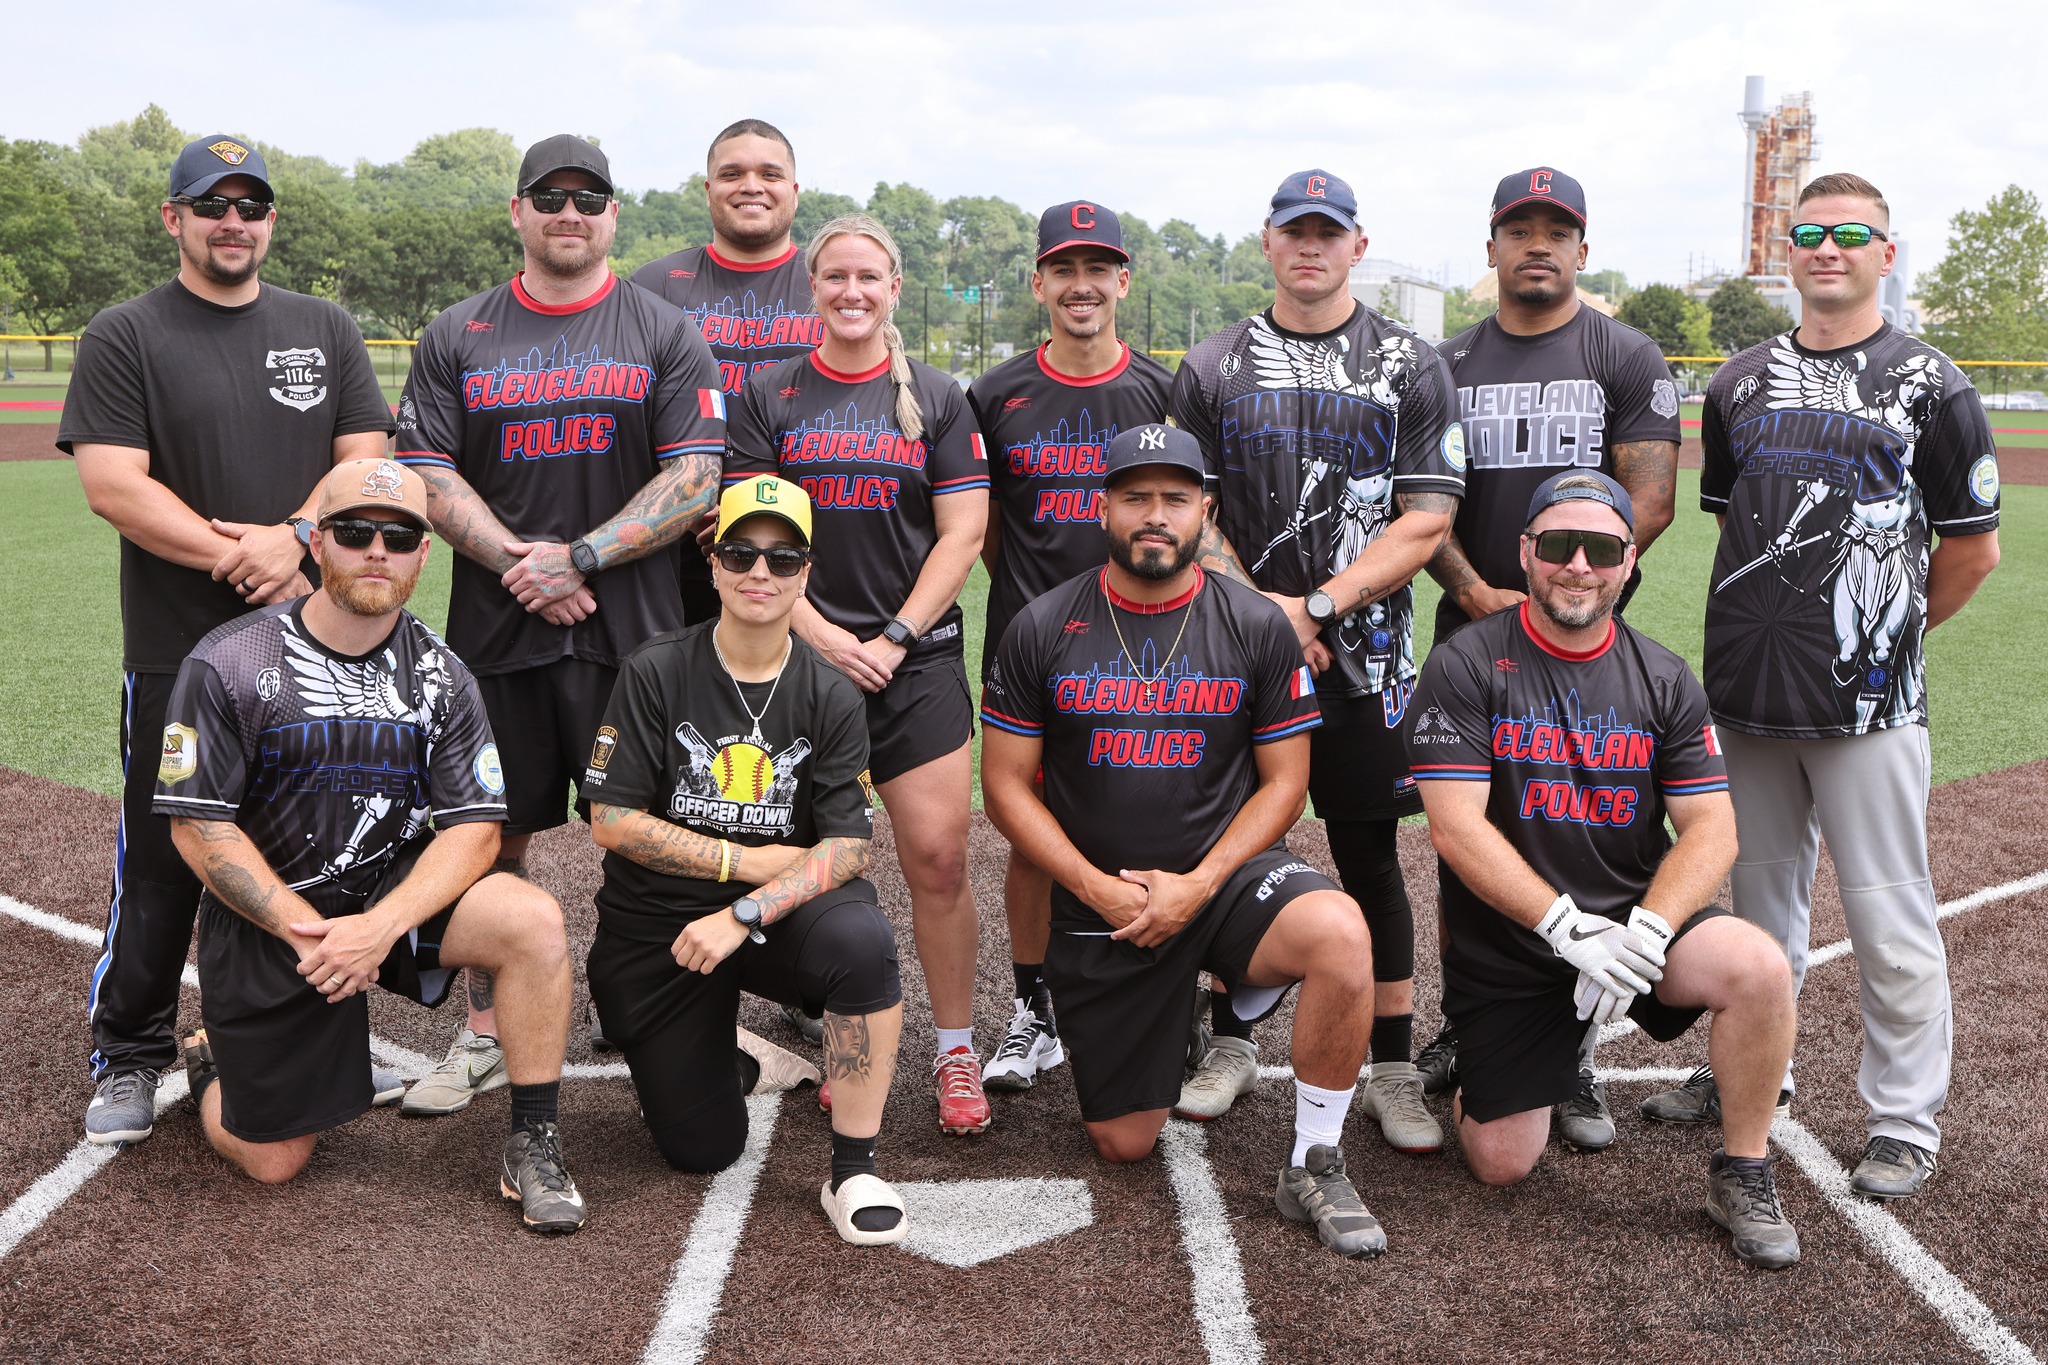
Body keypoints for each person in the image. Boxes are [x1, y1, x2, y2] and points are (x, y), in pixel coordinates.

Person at [1644, 173, 2001, 1202]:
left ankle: (1901, 1119)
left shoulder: (1931, 384)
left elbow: (1970, 553)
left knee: (1889, 918)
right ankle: (1761, 1079)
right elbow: (1734, 522)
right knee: (1758, 913)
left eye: (1852, 234)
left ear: (1885, 254)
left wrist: (1886, 636)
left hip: (1867, 705)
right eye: (1808, 233)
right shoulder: (1739, 382)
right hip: (1749, 696)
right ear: (1786, 252)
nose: (1827, 249)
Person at [61, 133, 396, 1145]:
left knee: (322, 844)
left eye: (251, 206)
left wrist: (296, 538)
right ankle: (131, 1050)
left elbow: (366, 456)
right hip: (179, 647)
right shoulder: (126, 334)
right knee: (167, 855)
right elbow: (114, 484)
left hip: (320, 642)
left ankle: (315, 1036)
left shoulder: (322, 326)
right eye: (213, 205)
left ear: (269, 222)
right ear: (174, 218)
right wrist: (244, 558)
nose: (233, 222)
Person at [982, 424, 1387, 1259]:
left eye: (1174, 498)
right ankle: (1187, 1017)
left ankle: (1315, 1155)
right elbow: (1005, 788)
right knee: (1124, 1142)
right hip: (1110, 898)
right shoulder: (1042, 624)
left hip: (1225, 880)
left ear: (1206, 508)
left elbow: (1285, 783)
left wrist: (1200, 883)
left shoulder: (1255, 623)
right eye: (1135, 497)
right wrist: (1096, 887)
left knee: (1342, 931)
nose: (1154, 515)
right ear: (1103, 509)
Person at [155, 458, 585, 1234]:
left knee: (534, 921)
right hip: (270, 917)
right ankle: (213, 1058)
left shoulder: (443, 675)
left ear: (425, 553)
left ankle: (534, 1138)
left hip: (383, 896)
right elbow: (198, 825)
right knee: (275, 1159)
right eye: (355, 533)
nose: (377, 551)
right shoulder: (229, 661)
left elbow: (476, 828)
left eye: (400, 535)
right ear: (316, 543)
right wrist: (306, 929)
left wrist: (377, 928)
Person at [394, 134, 726, 1116]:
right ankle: (488, 1031)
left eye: (589, 199)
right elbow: (426, 471)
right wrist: (517, 563)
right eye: (551, 197)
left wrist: (578, 557)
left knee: (649, 838)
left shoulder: (663, 331)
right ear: (518, 211)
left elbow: (696, 474)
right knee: (489, 837)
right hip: (497, 642)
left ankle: (655, 1015)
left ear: (613, 215)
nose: (569, 213)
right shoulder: (457, 332)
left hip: (635, 642)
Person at [1412, 470, 1801, 1269]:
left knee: (1759, 968)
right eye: (1558, 545)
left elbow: (1712, 828)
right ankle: (1497, 1053)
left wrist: (1649, 930)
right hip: (1519, 941)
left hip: (1631, 921)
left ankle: (1744, 1169)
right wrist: (1561, 924)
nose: (1579, 565)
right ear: (1525, 553)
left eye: (1602, 549)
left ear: (1631, 562)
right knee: (1501, 1162)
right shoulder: (1465, 663)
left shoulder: (1662, 677)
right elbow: (1453, 828)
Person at [1169, 169, 1464, 1154]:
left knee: (1369, 856)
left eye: (1326, 233)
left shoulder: (1408, 366)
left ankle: (1388, 1063)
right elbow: (1189, 513)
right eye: (1293, 233)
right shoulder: (1210, 367)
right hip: (1234, 658)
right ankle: (1228, 1041)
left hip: (1367, 662)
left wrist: (1320, 604)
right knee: (1229, 848)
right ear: (1266, 243)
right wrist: (1266, 618)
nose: (1310, 248)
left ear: (1355, 245)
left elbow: (1426, 518)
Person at [1422, 166, 1682, 1148]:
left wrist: (1560, 593)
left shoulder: (1621, 352)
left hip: (1580, 642)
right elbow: (1424, 499)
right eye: (1516, 228)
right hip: (1471, 627)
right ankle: (1475, 1025)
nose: (1536, 244)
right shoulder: (1442, 360)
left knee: (1589, 827)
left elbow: (1646, 497)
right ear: (1488, 247)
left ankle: (1570, 1046)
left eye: (1555, 230)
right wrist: (1473, 592)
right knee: (1472, 843)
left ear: (1581, 248)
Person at [584, 475, 910, 1245]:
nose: (760, 572)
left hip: (769, 918)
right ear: (714, 564)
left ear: (805, 572)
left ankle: (855, 1166)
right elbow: (613, 820)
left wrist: (746, 908)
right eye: (741, 553)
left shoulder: (830, 692)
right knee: (702, 1151)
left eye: (782, 557)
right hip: (661, 924)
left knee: (862, 943)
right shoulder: (656, 669)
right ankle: (737, 1055)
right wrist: (745, 863)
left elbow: (850, 845)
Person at [724, 214, 993, 1135]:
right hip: (797, 666)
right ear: (812, 285)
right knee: (822, 872)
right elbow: (751, 540)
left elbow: (963, 532)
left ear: (894, 287)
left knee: (939, 859)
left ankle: (956, 1050)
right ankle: (851, 1048)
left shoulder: (941, 397)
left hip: (913, 664)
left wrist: (892, 637)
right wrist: (827, 638)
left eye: (868, 277)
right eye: (834, 275)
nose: (851, 291)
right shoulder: (771, 394)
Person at [966, 199, 1172, 1094]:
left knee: (1170, 813)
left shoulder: (1164, 389)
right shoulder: (996, 392)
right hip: (1036, 648)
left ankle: (1180, 998)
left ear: (1123, 280)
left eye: (1100, 268)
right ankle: (1032, 1010)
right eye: (1064, 268)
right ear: (1040, 280)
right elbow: (985, 527)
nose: (1081, 284)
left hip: (1160, 649)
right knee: (1030, 831)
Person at [630, 118, 822, 630]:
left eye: (770, 174)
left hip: (798, 541)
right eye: (733, 173)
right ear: (709, 188)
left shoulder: (831, 287)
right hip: (670, 547)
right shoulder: (654, 285)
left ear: (795, 191)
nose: (752, 186)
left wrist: (763, 507)